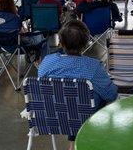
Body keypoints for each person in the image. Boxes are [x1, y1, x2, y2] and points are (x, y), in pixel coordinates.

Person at [38, 20, 117, 149]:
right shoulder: (93, 67)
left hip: (51, 118)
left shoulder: (47, 63)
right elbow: (111, 95)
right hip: (84, 120)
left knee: (69, 100)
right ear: (85, 43)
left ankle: (73, 144)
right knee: (91, 98)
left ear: (61, 42)